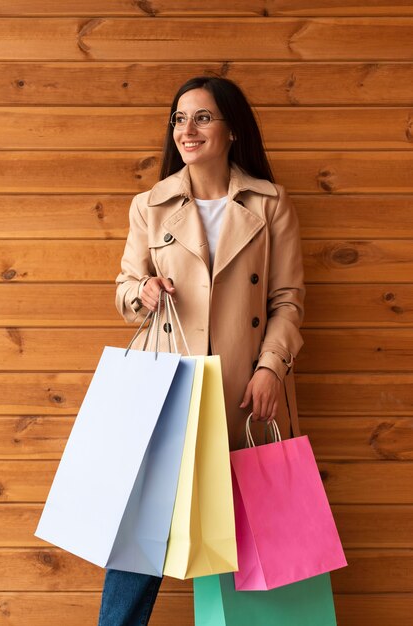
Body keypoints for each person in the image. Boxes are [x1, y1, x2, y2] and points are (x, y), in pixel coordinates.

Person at [97, 76, 305, 626]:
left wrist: (270, 371)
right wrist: (140, 294)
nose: (187, 130)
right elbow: (124, 287)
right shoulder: (150, 204)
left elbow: (287, 301)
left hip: (243, 391)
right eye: (179, 119)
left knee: (244, 533)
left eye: (203, 117)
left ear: (232, 128)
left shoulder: (270, 203)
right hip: (165, 389)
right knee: (139, 531)